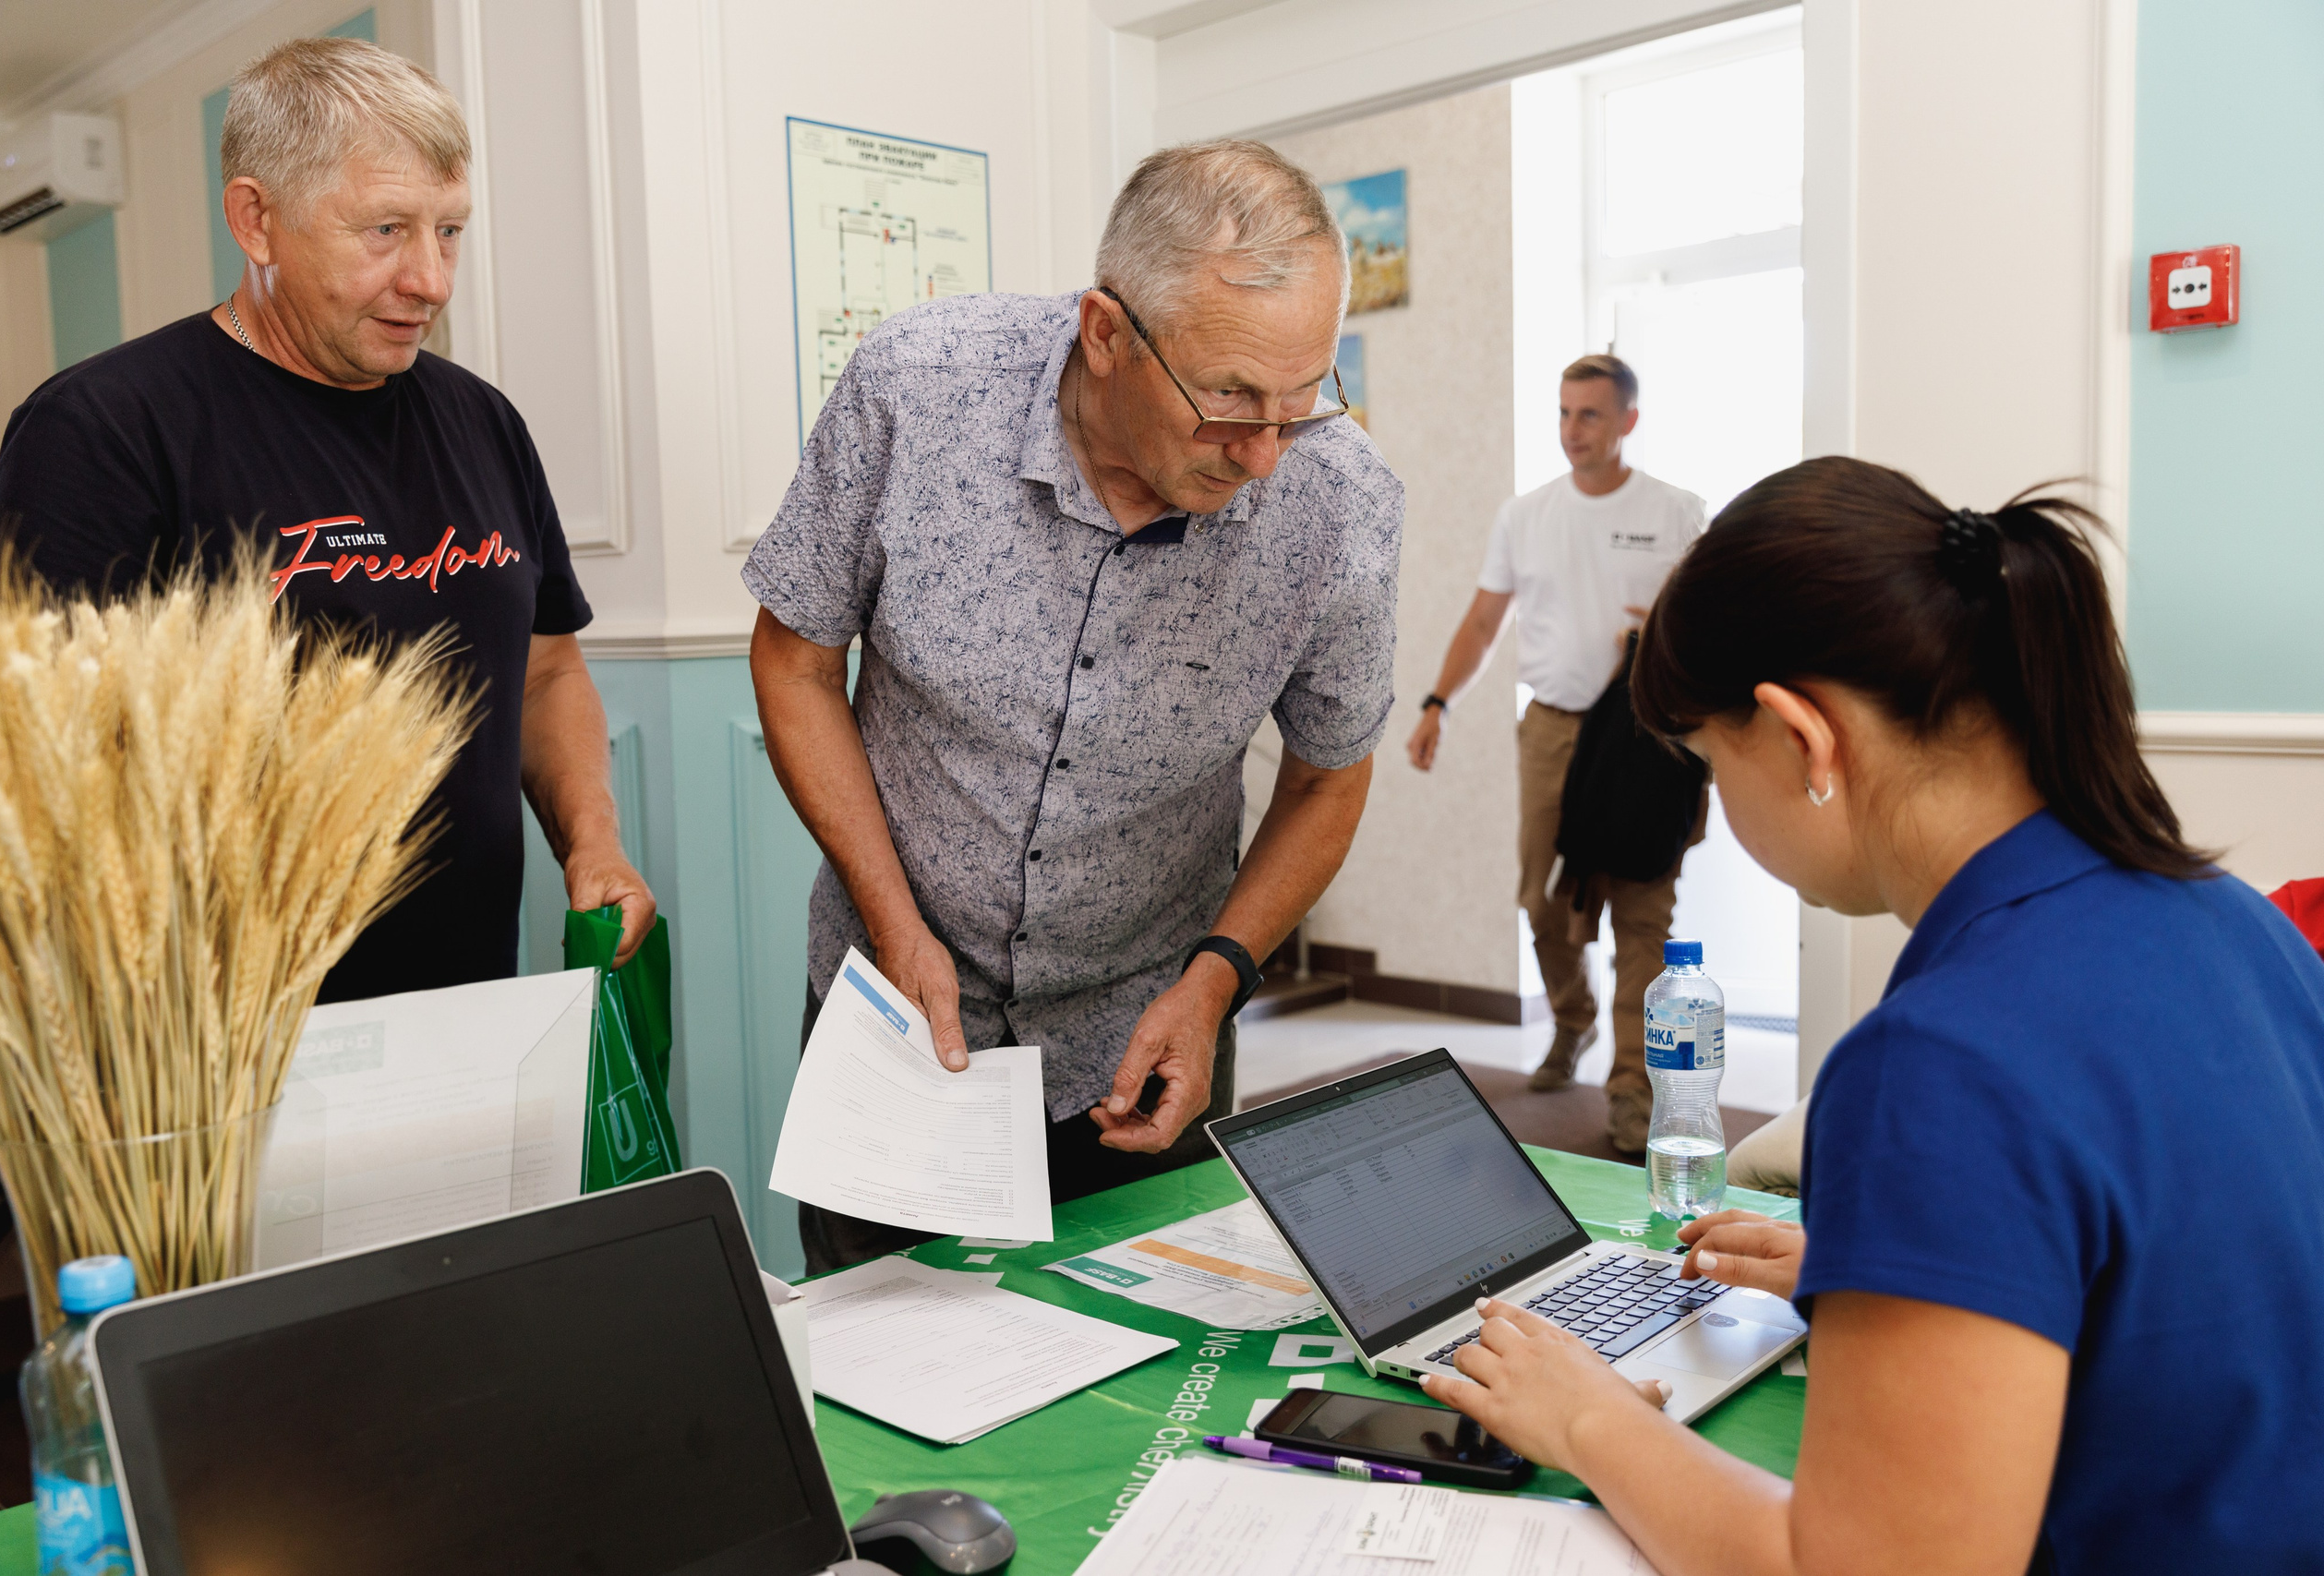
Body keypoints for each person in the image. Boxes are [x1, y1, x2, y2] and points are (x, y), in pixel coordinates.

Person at [1419, 457, 2324, 1573]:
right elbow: (2189, 1280)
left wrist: (1587, 1416)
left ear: (1803, 740)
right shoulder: (2238, 923)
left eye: (1708, 766)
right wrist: (1926, 1271)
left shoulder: (1943, 1059)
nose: (1714, 812)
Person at [747, 139, 1401, 1274]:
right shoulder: (917, 388)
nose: (1262, 455)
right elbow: (796, 661)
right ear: (1105, 333)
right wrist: (894, 924)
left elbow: (1329, 776)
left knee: (1144, 1384)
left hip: (1146, 1037)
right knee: (879, 1376)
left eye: (1303, 400)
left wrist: (1214, 985)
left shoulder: (1340, 507)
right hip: (898, 1014)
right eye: (1229, 399)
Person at [0, 37, 654, 996]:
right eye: (386, 230)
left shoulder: (483, 420)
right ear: (258, 221)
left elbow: (545, 671)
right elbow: (44, 763)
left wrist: (594, 842)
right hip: (225, 1041)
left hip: (473, 997)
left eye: (450, 230)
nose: (432, 278)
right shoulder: (102, 428)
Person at [1406, 355, 1704, 1151]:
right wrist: (1438, 703)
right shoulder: (1525, 515)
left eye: (1592, 416)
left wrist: (1668, 630)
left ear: (1629, 421)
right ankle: (1572, 1022)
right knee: (1547, 903)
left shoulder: (1679, 512)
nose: (1574, 431)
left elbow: (1719, 627)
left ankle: (1634, 1092)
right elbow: (1481, 623)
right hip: (1555, 732)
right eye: (1565, 414)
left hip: (1653, 737)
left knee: (1645, 916)